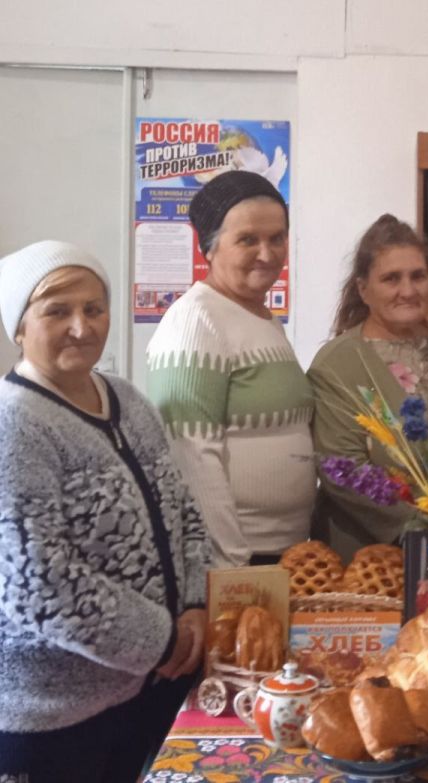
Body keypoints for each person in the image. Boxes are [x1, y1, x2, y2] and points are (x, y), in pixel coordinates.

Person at [0, 241, 208, 783]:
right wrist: (162, 641)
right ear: (18, 327)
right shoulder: (13, 424)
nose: (81, 327)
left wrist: (194, 604)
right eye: (57, 311)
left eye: (93, 308)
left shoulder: (127, 399)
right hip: (54, 719)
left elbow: (183, 507)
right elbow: (38, 584)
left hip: (147, 691)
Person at [146, 171, 316, 568]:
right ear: (209, 247)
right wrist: (230, 564)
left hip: (285, 549)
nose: (267, 253)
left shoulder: (263, 318)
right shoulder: (195, 321)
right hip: (237, 559)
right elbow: (193, 457)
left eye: (277, 238)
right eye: (248, 240)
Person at [309, 214, 428, 559]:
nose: (408, 291)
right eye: (391, 278)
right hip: (376, 560)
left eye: (417, 276)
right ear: (363, 289)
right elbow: (344, 470)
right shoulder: (336, 365)